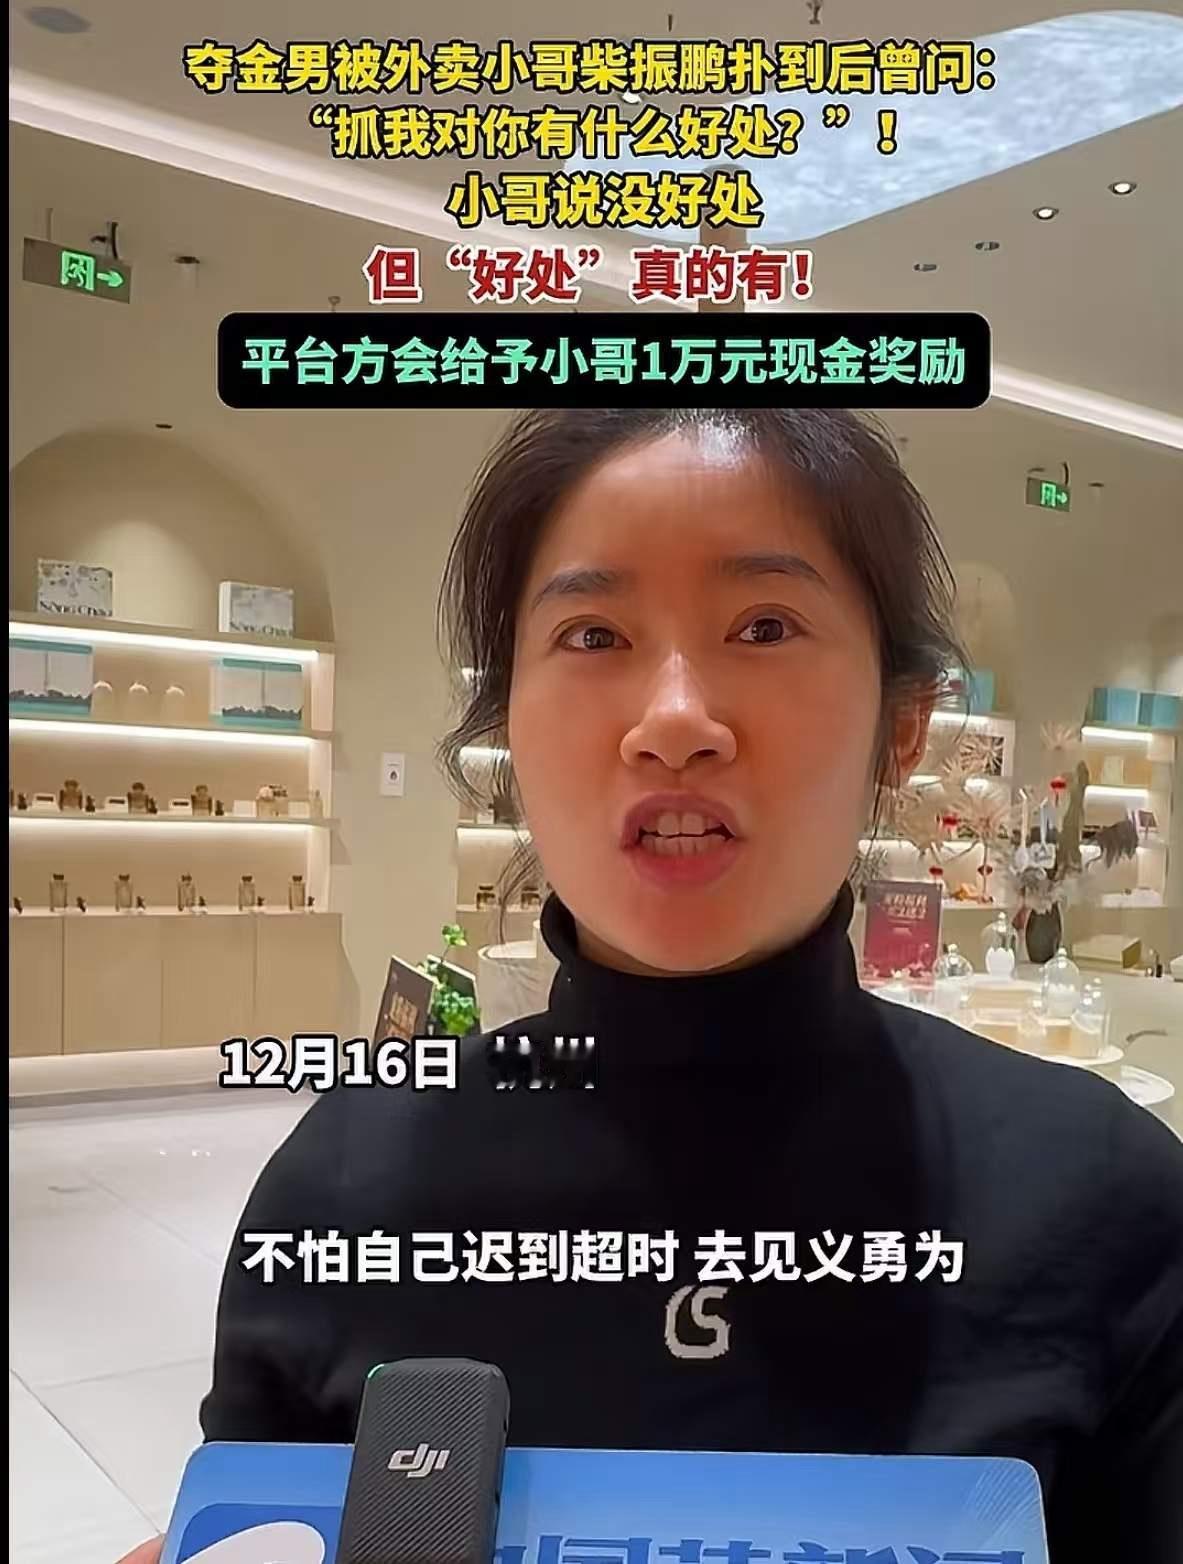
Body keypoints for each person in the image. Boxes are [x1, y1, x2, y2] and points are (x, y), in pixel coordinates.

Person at [117, 409, 1183, 1564]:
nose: (674, 719)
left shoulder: (1109, 1205)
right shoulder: (341, 1190)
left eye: (763, 624)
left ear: (904, 723)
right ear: (509, 725)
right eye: (592, 634)